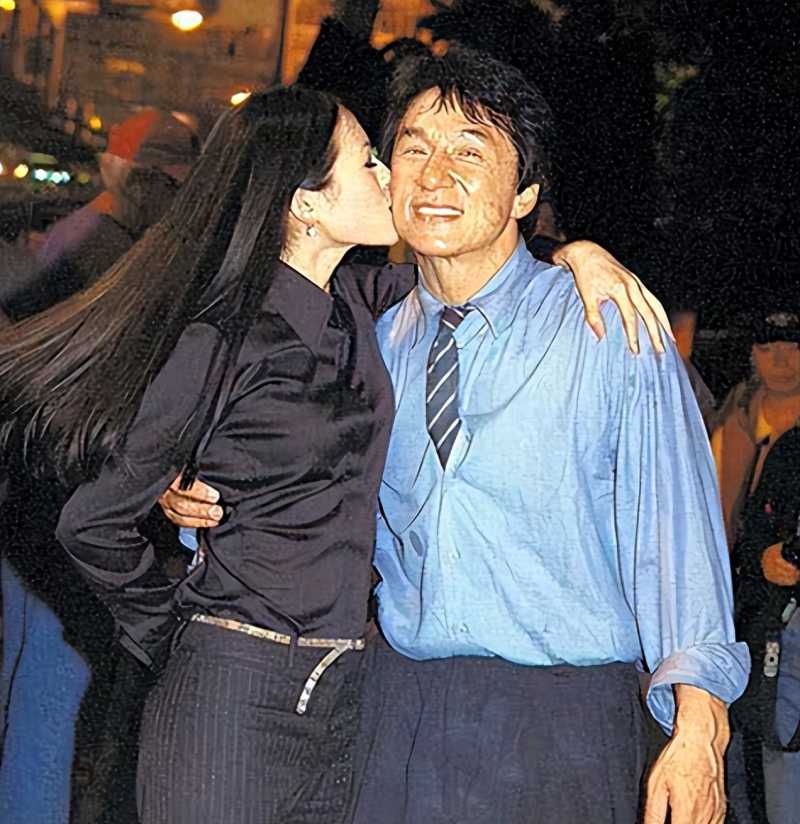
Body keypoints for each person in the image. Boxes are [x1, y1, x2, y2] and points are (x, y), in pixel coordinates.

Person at [0, 84, 662, 824]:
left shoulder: (363, 302)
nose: (389, 176)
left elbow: (484, 265)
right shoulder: (220, 339)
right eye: (368, 161)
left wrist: (573, 255)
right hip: (234, 694)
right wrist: (178, 630)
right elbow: (92, 524)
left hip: (345, 699)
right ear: (307, 202)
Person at [161, 50, 748, 824]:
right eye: (413, 150)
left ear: (525, 193)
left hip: (563, 723)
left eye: (470, 152)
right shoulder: (364, 342)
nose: (435, 176)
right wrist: (199, 498)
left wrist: (700, 729)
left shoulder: (606, 329)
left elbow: (678, 539)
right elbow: (296, 496)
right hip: (393, 712)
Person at [0, 108, 193, 824]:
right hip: (63, 506)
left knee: (34, 680)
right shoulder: (108, 252)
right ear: (138, 178)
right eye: (168, 186)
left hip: (35, 501)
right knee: (56, 690)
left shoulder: (81, 237)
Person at [711, 310, 800, 824]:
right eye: (768, 348)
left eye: (792, 347)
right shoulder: (731, 419)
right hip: (737, 606)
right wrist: (759, 556)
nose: (781, 359)